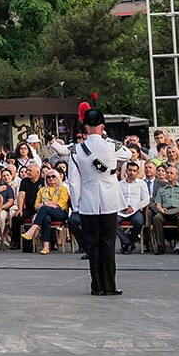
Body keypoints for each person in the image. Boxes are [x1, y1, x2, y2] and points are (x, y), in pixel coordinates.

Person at [66, 111, 123, 296]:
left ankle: (96, 286)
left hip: (88, 203)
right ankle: (109, 285)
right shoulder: (112, 146)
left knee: (93, 245)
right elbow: (129, 153)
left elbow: (74, 182)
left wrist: (76, 205)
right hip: (109, 201)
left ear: (85, 128)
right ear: (103, 127)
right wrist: (105, 138)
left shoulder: (76, 150)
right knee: (108, 244)